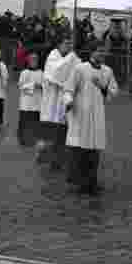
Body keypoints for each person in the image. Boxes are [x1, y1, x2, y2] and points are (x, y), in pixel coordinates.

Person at [63, 47, 119, 195]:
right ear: (91, 52)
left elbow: (113, 91)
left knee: (94, 148)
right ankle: (79, 181)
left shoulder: (107, 71)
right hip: (81, 114)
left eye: (102, 51)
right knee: (80, 148)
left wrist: (103, 86)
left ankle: (91, 181)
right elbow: (68, 89)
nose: (100, 54)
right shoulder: (80, 69)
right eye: (97, 51)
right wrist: (68, 101)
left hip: (98, 115)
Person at [38, 38, 79, 169]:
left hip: (64, 99)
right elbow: (56, 72)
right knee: (50, 132)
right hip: (52, 100)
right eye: (65, 43)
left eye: (70, 44)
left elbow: (77, 73)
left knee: (63, 132)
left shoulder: (74, 59)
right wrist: (71, 58)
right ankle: (46, 157)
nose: (68, 46)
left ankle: (59, 159)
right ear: (59, 44)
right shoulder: (53, 56)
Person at [17, 53, 43, 147]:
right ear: (28, 61)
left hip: (37, 102)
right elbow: (20, 86)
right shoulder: (24, 72)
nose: (34, 62)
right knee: (24, 122)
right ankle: (22, 139)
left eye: (35, 60)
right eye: (32, 60)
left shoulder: (41, 73)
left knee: (36, 123)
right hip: (26, 102)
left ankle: (34, 139)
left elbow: (45, 86)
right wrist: (33, 85)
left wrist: (41, 86)